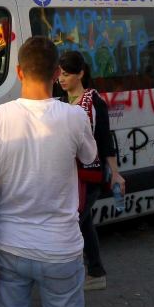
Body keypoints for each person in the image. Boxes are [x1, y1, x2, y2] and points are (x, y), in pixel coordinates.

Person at [0, 37, 97, 307]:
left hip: (9, 244)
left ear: (18, 72)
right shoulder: (75, 116)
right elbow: (89, 157)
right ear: (57, 72)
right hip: (61, 247)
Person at [56, 50, 126, 291]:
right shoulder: (62, 102)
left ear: (81, 74)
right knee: (84, 223)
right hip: (70, 177)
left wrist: (114, 173)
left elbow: (106, 141)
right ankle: (96, 272)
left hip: (90, 176)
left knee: (73, 222)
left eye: (66, 74)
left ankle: (72, 275)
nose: (61, 79)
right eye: (59, 74)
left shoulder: (94, 103)